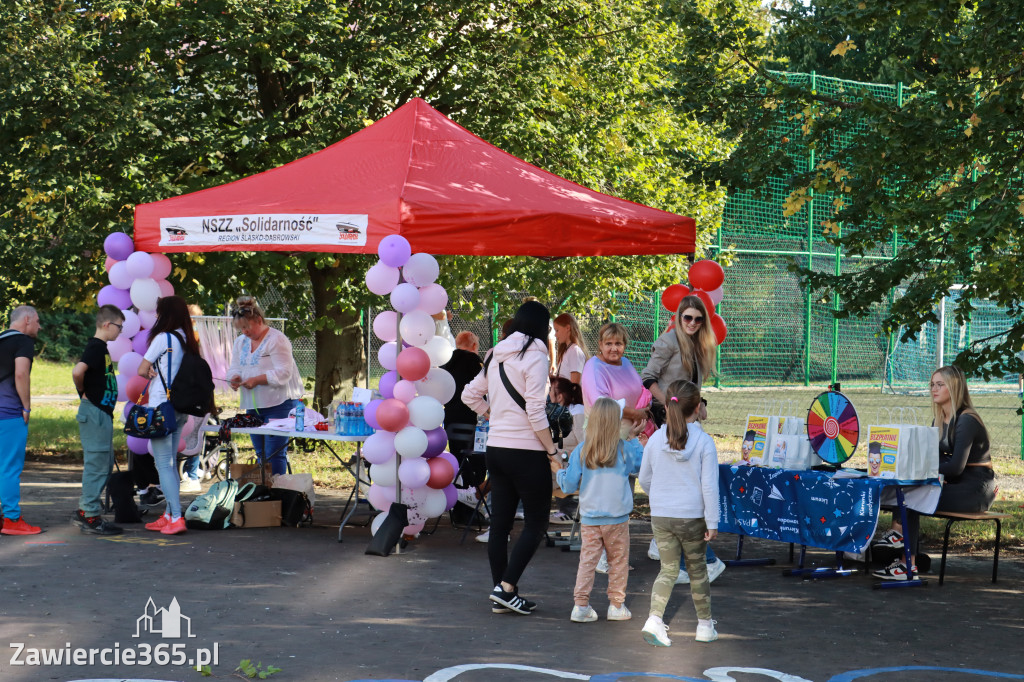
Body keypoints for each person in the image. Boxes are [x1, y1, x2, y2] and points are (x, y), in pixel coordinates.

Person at [462, 300, 561, 615]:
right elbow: (535, 409)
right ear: (543, 328)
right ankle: (506, 588)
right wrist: (552, 450)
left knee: (501, 524)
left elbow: (469, 395)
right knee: (536, 522)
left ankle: (502, 593)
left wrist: (493, 415)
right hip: (527, 451)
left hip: (496, 449)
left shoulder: (495, 352)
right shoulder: (536, 355)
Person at [872, 365, 996, 579]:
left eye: (940, 384)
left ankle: (905, 562)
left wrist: (933, 473)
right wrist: (934, 474)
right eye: (932, 384)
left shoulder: (966, 420)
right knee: (906, 488)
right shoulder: (939, 420)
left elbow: (956, 467)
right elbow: (934, 459)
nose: (934, 389)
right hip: (955, 483)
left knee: (911, 496)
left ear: (955, 388)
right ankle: (901, 546)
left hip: (976, 489)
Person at [640, 295, 725, 583]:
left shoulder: (701, 345)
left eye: (697, 319)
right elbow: (647, 377)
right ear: (679, 317)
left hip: (687, 419)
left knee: (686, 483)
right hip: (668, 419)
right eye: (687, 317)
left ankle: (671, 548)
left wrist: (699, 404)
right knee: (679, 483)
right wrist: (670, 405)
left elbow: (695, 385)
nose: (691, 323)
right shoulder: (667, 342)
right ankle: (695, 557)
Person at [639, 380, 720, 646]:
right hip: (692, 517)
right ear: (698, 408)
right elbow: (709, 486)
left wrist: (659, 498)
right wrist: (713, 521)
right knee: (698, 572)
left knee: (668, 570)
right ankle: (705, 626)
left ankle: (653, 620)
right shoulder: (704, 442)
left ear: (666, 405)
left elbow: (645, 478)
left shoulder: (654, 440)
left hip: (662, 516)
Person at [553, 397, 644, 623]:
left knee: (588, 561)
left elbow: (568, 485)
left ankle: (581, 605)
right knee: (618, 562)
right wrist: (633, 438)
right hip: (617, 518)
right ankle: (616, 605)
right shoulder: (623, 449)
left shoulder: (582, 451)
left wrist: (558, 471)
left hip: (591, 517)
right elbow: (640, 465)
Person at [137, 295, 199, 535]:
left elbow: (143, 368)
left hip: (162, 406)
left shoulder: (163, 338)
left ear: (166, 314)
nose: (156, 316)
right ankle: (168, 514)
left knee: (163, 463)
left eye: (158, 312)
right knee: (170, 462)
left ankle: (175, 516)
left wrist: (152, 374)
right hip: (181, 407)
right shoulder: (186, 339)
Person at [226, 296, 303, 476]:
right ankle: (265, 493)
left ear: (259, 320)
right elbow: (234, 367)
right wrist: (234, 378)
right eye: (241, 328)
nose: (244, 332)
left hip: (279, 404)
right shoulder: (240, 342)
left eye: (247, 327)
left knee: (274, 454)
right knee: (261, 453)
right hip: (253, 406)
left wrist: (258, 379)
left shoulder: (277, 339)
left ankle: (276, 494)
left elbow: (284, 372)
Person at [70, 304, 125, 535]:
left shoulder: (101, 348)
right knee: (97, 464)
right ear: (107, 324)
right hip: (94, 411)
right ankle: (89, 514)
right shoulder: (95, 347)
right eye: (119, 327)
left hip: (100, 412)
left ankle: (88, 510)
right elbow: (77, 371)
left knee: (103, 462)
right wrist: (83, 392)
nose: (120, 332)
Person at [0, 305, 43, 535]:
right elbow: (21, 373)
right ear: (27, 320)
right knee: (9, 468)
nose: (39, 326)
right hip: (8, 412)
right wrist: (26, 406)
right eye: (37, 321)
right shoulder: (24, 342)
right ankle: (12, 520)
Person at [441, 331, 486, 520]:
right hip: (470, 419)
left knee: (457, 460)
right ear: (474, 345)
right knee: (476, 461)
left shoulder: (445, 362)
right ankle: (471, 504)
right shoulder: (475, 363)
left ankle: (457, 506)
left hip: (450, 418)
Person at [580, 323, 647, 423]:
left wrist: (647, 404)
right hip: (607, 433)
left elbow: (642, 389)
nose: (614, 349)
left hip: (633, 432)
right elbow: (601, 404)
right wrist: (636, 414)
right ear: (600, 344)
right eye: (609, 344)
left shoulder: (626, 363)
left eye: (618, 344)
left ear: (624, 345)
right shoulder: (594, 367)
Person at [548, 376, 584, 524]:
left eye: (550, 389)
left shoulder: (578, 413)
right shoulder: (560, 413)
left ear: (560, 395)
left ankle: (569, 511)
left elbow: (584, 445)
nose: (548, 393)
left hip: (570, 468)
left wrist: (561, 455)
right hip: (561, 465)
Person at [553, 313, 588, 385]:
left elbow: (574, 385)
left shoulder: (574, 351)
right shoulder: (567, 350)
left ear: (567, 328)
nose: (555, 334)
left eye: (557, 330)